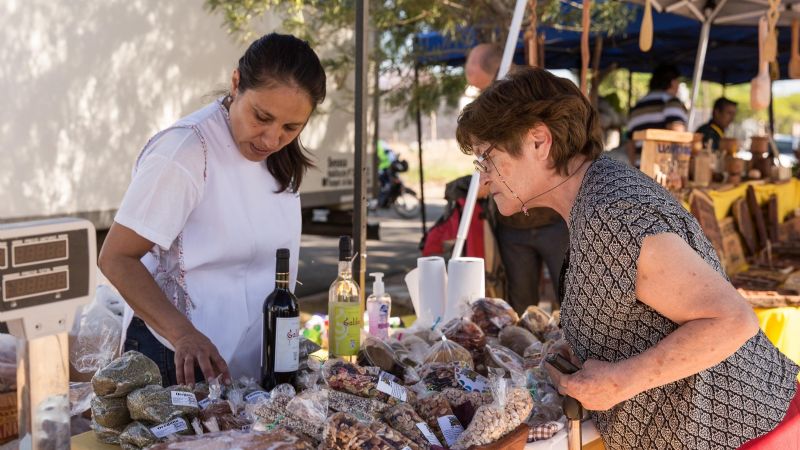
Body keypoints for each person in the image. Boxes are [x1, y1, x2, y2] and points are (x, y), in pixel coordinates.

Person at [456, 66, 799, 449]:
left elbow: (732, 320)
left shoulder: (611, 213)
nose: (483, 179)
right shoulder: (595, 196)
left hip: (746, 433)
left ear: (539, 141)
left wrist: (622, 380)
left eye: (487, 158)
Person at [98, 33, 326, 386]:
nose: (271, 139)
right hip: (177, 358)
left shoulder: (279, 157)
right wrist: (184, 335)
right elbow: (116, 258)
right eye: (261, 116)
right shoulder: (185, 151)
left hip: (249, 359)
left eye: (290, 128)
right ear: (236, 83)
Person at [464, 43, 569, 311]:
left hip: (553, 221)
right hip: (513, 226)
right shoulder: (490, 115)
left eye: (481, 88)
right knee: (521, 306)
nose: (479, 96)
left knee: (572, 301)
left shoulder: (534, 100)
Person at [625, 63, 689, 166]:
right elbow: (678, 135)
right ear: (673, 82)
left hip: (638, 173)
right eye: (678, 81)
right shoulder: (671, 102)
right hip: (662, 173)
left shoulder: (637, 107)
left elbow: (630, 145)